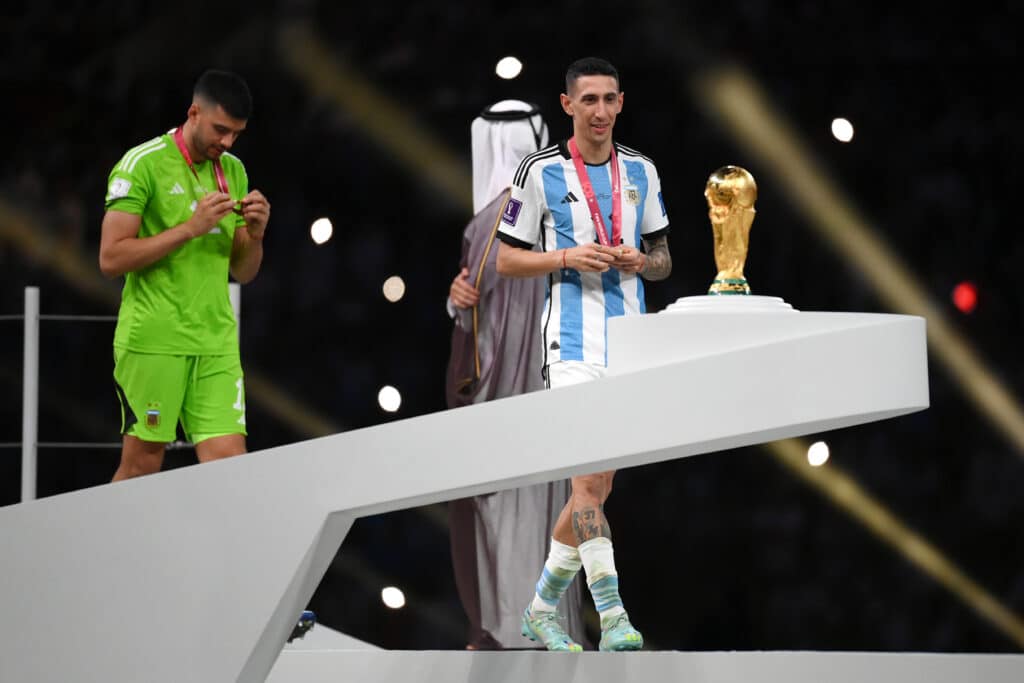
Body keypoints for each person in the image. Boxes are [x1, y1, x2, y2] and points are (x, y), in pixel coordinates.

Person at [496, 57, 672, 652]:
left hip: (632, 345)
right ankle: (613, 615)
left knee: (593, 490)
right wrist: (568, 258)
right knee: (589, 487)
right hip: (569, 345)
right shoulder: (538, 171)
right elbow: (506, 259)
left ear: (621, 103)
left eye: (609, 100)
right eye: (588, 100)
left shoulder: (641, 172)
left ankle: (541, 609)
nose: (599, 111)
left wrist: (639, 262)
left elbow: (663, 257)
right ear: (567, 105)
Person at [445, 100, 588, 650]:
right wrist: (458, 299)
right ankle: (550, 630)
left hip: (506, 400)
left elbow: (476, 301)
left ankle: (511, 633)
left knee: (507, 511)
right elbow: (474, 295)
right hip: (556, 387)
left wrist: (460, 305)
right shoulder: (563, 206)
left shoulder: (497, 216)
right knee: (553, 505)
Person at [99, 69, 270, 480]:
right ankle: (114, 546)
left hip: (215, 343)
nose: (227, 142)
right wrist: (189, 229)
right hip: (154, 342)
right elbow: (110, 258)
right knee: (142, 465)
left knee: (230, 467)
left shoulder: (234, 171)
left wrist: (257, 236)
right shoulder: (141, 165)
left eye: (236, 134)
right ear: (194, 113)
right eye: (220, 130)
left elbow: (243, 272)